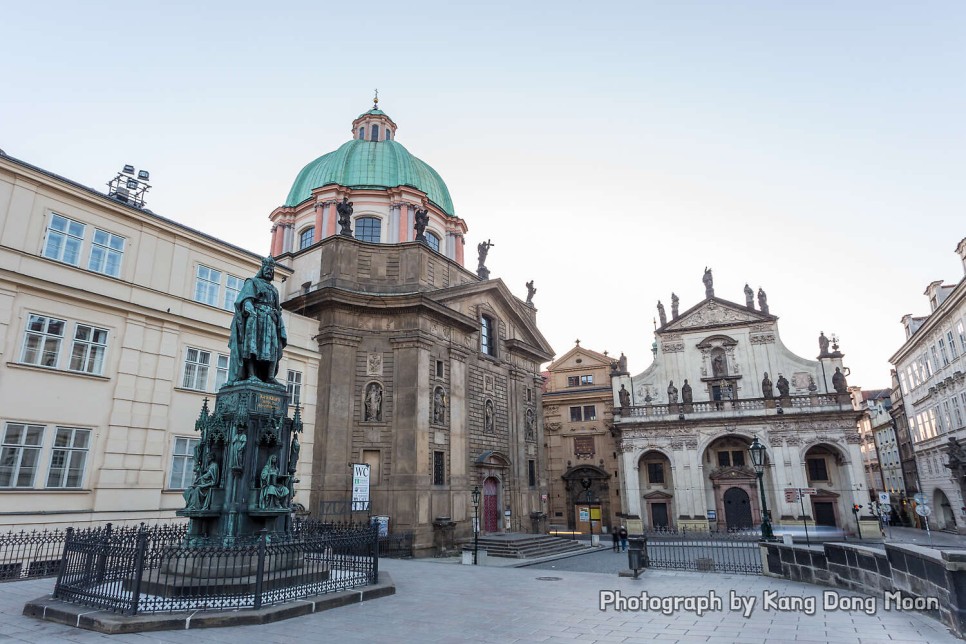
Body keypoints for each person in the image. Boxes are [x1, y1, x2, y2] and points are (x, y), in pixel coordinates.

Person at [228, 256, 288, 384]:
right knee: (252, 346)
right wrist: (249, 307)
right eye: (267, 269)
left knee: (273, 347)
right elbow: (245, 299)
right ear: (262, 268)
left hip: (271, 321)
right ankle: (251, 374)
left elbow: (278, 308)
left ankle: (270, 376)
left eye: (272, 270)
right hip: (256, 319)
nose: (269, 272)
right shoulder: (252, 282)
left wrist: (276, 315)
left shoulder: (274, 289)